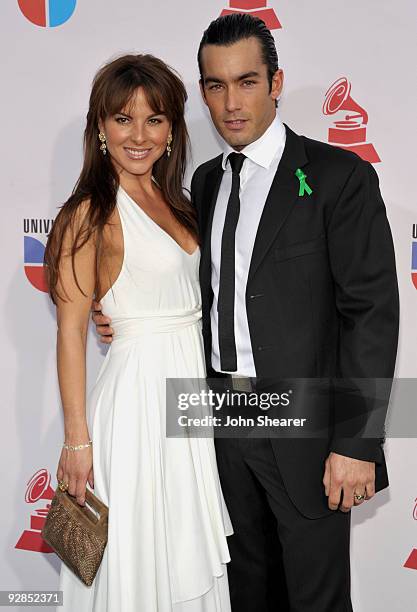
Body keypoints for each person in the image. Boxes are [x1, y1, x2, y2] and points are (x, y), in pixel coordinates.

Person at [92, 14, 399, 612]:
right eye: (214, 85)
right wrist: (125, 319)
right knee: (244, 595)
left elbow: (372, 315)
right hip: (217, 424)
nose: (231, 103)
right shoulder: (202, 184)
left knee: (316, 599)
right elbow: (190, 289)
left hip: (307, 427)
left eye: (247, 82)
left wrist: (358, 443)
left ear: (277, 83)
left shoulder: (339, 178)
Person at [45, 54, 233, 612]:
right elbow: (71, 333)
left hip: (188, 401)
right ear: (100, 127)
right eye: (123, 119)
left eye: (154, 120)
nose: (139, 135)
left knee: (180, 550)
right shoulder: (89, 213)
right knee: (137, 557)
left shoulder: (181, 203)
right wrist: (77, 440)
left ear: (172, 128)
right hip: (135, 408)